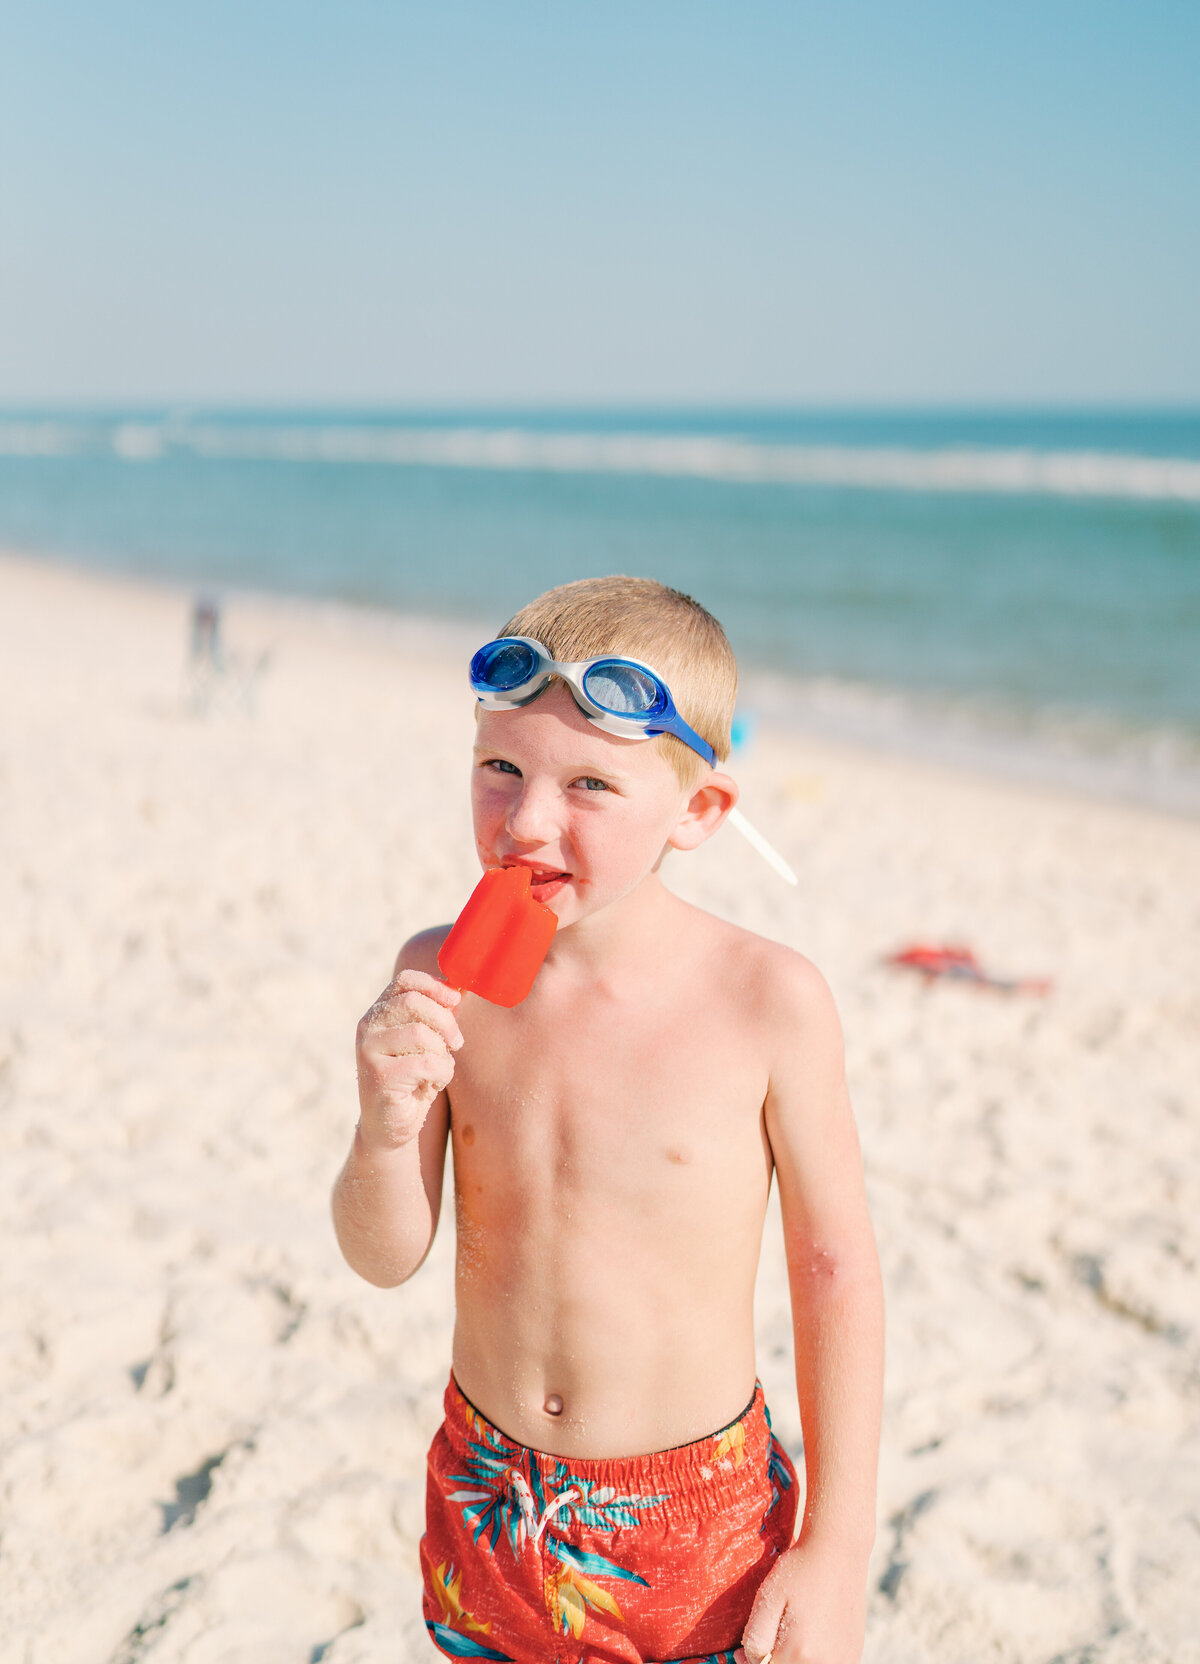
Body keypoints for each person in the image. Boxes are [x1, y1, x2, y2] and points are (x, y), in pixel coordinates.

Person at [332, 576, 884, 1664]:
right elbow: (383, 1254)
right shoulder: (441, 976)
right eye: (502, 767)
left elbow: (837, 1271)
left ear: (698, 812)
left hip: (696, 1521)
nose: (527, 818)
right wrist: (383, 1127)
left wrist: (839, 1544)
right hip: (486, 1490)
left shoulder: (765, 999)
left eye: (589, 782)